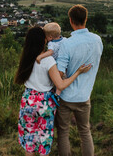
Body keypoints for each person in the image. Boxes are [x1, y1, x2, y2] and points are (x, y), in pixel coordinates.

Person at [15, 26, 91, 156]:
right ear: (43, 41)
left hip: (28, 100)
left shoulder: (27, 58)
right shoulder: (48, 60)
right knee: (43, 139)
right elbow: (60, 85)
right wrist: (78, 72)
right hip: (44, 102)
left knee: (30, 140)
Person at [56, 5, 103, 156]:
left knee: (63, 132)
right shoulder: (97, 40)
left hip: (66, 97)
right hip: (84, 96)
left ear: (70, 20)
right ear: (86, 19)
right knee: (85, 131)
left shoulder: (66, 43)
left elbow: (60, 73)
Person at [36, 22, 66, 96]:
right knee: (62, 80)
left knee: (56, 81)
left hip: (56, 65)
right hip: (64, 64)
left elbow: (50, 52)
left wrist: (40, 56)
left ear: (50, 37)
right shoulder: (65, 40)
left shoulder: (51, 44)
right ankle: (58, 94)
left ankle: (56, 95)